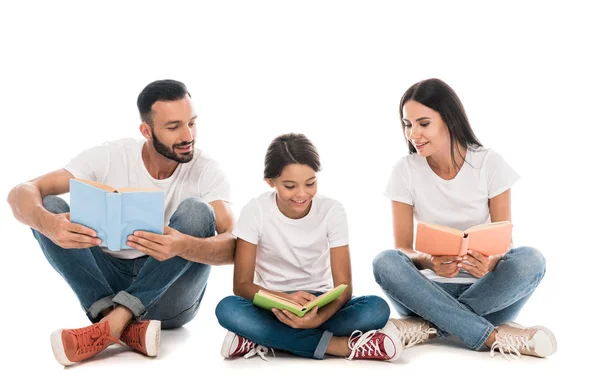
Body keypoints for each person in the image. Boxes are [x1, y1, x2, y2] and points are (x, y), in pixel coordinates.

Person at [7, 79, 236, 366]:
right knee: (48, 208)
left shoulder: (207, 170)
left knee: (197, 212)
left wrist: (183, 245)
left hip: (171, 295)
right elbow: (22, 192)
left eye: (192, 123)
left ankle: (114, 321)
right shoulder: (110, 156)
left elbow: (234, 245)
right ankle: (118, 324)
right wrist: (49, 224)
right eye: (173, 126)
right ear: (146, 130)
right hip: (108, 286)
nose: (187, 135)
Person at [372, 78, 557, 359]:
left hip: (488, 292)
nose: (413, 134)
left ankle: (427, 328)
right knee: (384, 262)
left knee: (531, 259)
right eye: (407, 125)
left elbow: (504, 241)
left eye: (423, 124)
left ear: (448, 119)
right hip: (426, 291)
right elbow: (402, 249)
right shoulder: (405, 170)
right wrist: (429, 261)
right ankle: (495, 336)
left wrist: (492, 262)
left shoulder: (489, 163)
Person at [215, 133, 401, 361]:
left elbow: (344, 286)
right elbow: (241, 285)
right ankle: (340, 346)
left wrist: (319, 318)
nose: (302, 194)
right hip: (272, 306)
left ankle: (260, 337)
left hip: (321, 303)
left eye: (310, 183)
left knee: (376, 308)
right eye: (290, 186)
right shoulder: (255, 211)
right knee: (228, 308)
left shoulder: (332, 211)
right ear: (270, 182)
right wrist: (285, 299)